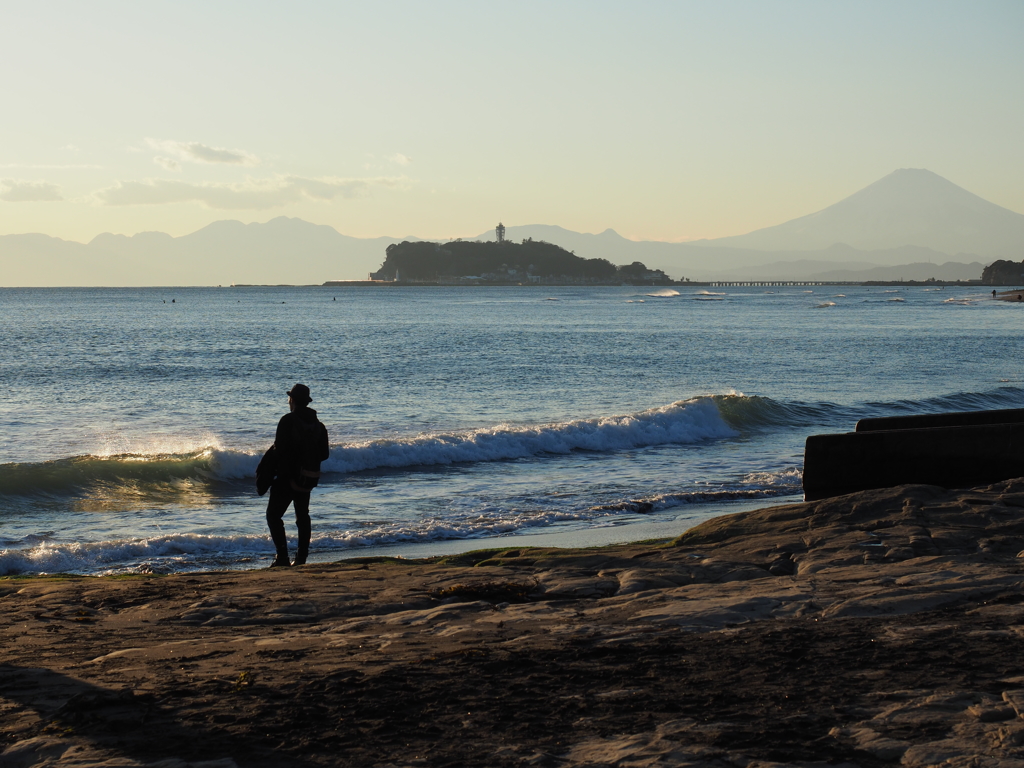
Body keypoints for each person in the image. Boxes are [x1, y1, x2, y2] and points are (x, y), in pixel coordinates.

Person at [265, 383, 330, 567]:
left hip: (286, 478)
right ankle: (301, 559)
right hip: (307, 478)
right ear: (307, 402)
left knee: (273, 516)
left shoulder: (287, 420)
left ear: (292, 400)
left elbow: (279, 451)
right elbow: (324, 454)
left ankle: (282, 557)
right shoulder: (319, 426)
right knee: (302, 516)